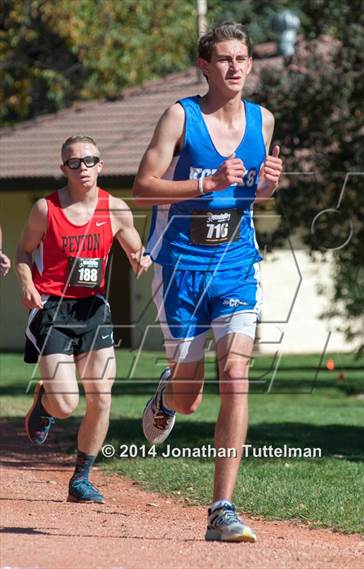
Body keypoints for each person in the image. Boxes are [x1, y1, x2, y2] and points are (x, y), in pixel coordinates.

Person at [132, 22, 283, 542]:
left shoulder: (262, 120)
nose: (236, 67)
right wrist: (205, 182)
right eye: (224, 59)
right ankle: (166, 396)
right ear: (204, 66)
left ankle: (222, 507)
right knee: (190, 397)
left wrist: (263, 189)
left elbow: (250, 196)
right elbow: (143, 188)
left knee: (236, 375)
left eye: (242, 58)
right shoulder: (181, 115)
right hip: (180, 267)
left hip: (236, 264)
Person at [15, 134, 150, 504]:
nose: (83, 168)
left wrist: (142, 260)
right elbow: (24, 251)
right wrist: (27, 283)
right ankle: (45, 403)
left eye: (90, 160)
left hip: (93, 309)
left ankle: (81, 478)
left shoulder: (116, 209)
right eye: (74, 162)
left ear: (100, 165)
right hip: (53, 309)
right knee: (65, 404)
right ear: (64, 169)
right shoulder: (46, 209)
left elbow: (135, 249)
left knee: (102, 398)